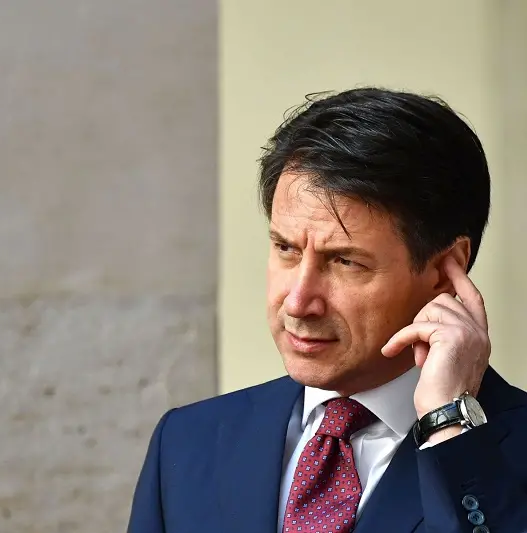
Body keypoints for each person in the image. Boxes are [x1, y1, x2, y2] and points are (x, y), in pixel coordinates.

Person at [126, 88, 527, 533]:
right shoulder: (188, 442)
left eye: (345, 261)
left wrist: (448, 425)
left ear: (442, 270)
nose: (298, 301)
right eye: (285, 249)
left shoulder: (505, 455)